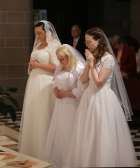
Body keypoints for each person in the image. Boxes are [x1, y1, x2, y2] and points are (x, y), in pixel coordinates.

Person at [63, 27, 136, 167]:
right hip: (88, 98)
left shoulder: (108, 58)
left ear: (99, 41)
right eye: (85, 41)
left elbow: (99, 82)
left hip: (103, 99)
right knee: (87, 133)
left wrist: (91, 64)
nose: (87, 44)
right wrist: (88, 65)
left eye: (89, 41)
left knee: (102, 133)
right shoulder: (92, 57)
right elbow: (84, 80)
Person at [19, 20, 61, 159]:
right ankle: (32, 149)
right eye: (36, 33)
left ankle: (46, 151)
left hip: (45, 83)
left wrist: (37, 65)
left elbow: (57, 67)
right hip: (33, 82)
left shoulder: (54, 46)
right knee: (33, 114)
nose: (37, 36)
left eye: (40, 33)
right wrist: (31, 66)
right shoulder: (37, 45)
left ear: (47, 32)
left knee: (44, 114)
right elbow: (32, 65)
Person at [43, 44, 85, 167]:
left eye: (62, 58)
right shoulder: (60, 67)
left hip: (72, 105)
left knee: (70, 132)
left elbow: (81, 90)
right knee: (59, 132)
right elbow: (55, 81)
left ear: (69, 56)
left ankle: (71, 161)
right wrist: (55, 90)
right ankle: (59, 160)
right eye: (58, 58)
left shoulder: (79, 68)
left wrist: (65, 94)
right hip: (60, 105)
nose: (60, 61)